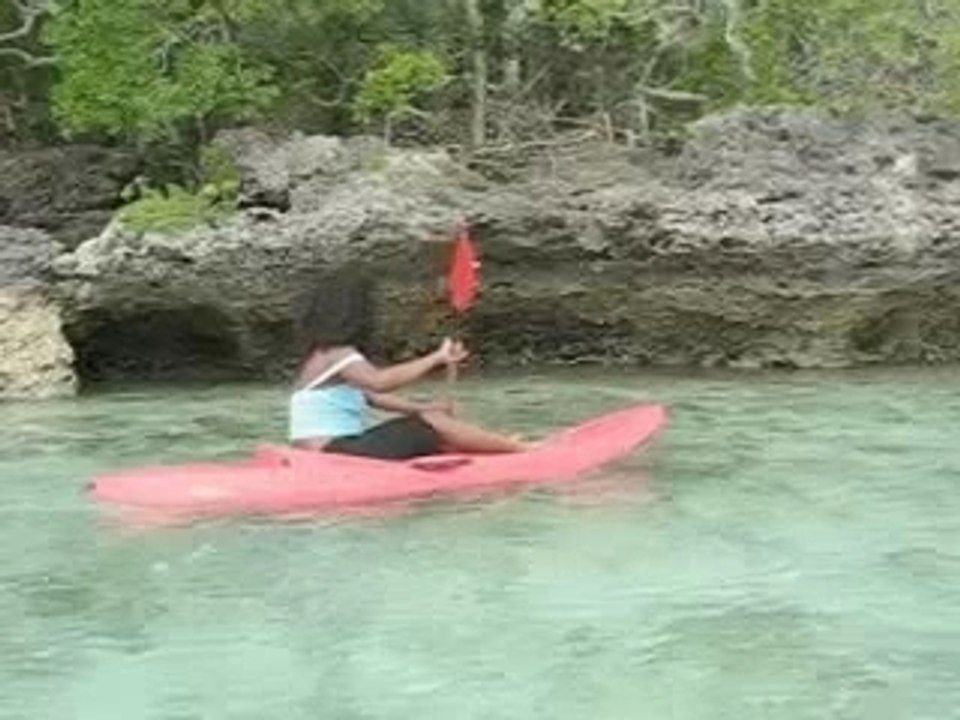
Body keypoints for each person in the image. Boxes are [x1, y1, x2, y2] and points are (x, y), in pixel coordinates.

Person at [288, 269, 527, 460]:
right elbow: (380, 383)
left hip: (326, 450)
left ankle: (497, 444)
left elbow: (372, 397)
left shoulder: (321, 357)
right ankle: (518, 449)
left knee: (430, 420)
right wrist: (437, 358)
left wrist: (423, 408)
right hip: (333, 453)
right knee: (434, 424)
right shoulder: (339, 354)